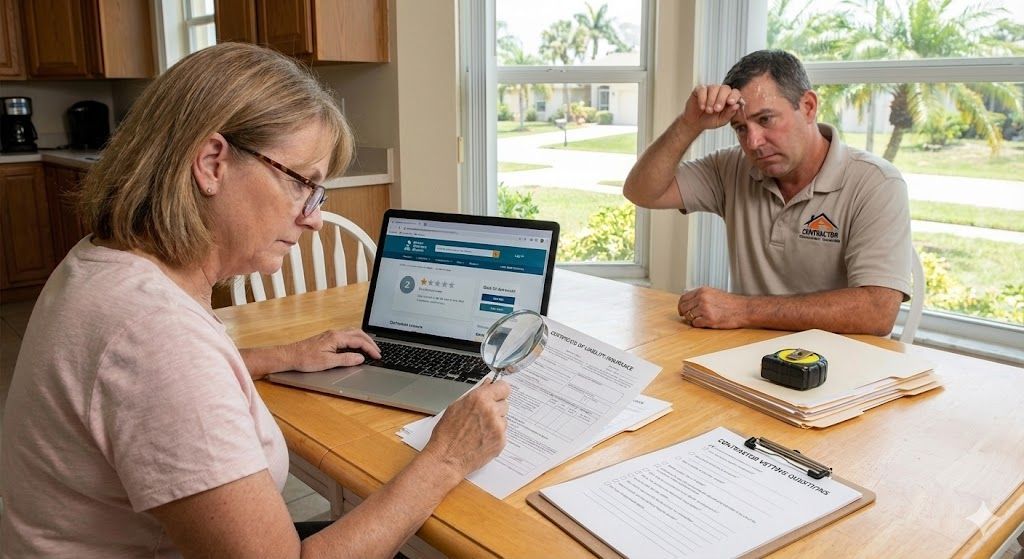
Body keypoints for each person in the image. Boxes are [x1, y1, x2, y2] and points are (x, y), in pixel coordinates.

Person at [0, 43, 510, 557]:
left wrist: (278, 356)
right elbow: (163, 368)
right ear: (212, 163)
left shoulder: (105, 262)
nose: (312, 217)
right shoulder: (158, 338)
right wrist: (446, 458)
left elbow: (140, 392)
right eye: (303, 184)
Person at [624, 50, 912, 336]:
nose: (753, 142)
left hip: (842, 365)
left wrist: (743, 310)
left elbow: (878, 311)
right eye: (739, 128)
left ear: (809, 107)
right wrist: (689, 124)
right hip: (750, 357)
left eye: (765, 120)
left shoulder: (877, 183)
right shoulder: (732, 167)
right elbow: (642, 192)